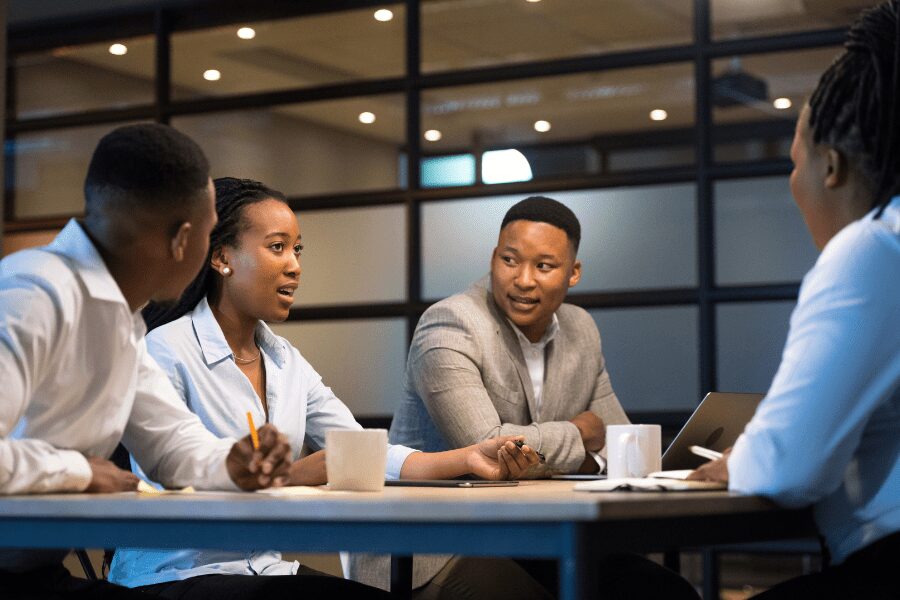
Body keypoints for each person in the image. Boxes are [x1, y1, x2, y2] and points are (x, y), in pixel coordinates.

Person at [108, 177, 539, 599]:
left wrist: (467, 457)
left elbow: (363, 451)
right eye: (276, 247)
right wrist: (296, 475)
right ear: (222, 257)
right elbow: (166, 491)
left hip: (265, 567)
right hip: (174, 575)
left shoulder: (284, 361)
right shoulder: (165, 350)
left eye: (296, 250)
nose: (294, 265)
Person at [0, 124, 293, 600]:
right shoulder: (34, 293)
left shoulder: (119, 317)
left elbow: (171, 443)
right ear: (182, 239)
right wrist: (79, 470)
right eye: (208, 231)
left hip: (33, 573)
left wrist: (234, 462)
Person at [352, 197, 698, 598]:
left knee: (666, 592)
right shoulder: (450, 324)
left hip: (531, 538)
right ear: (493, 257)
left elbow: (623, 442)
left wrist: (588, 449)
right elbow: (489, 448)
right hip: (434, 548)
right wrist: (579, 435)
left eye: (544, 266)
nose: (523, 279)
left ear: (574, 273)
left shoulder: (580, 329)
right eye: (510, 260)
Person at [688, 2, 900, 598]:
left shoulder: (869, 251)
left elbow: (789, 467)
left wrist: (745, 456)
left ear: (830, 167)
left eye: (794, 162)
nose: (792, 182)